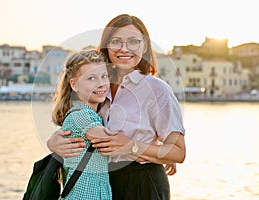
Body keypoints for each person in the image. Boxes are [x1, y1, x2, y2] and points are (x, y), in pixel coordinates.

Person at [48, 14, 186, 200]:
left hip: (141, 183)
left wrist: (133, 147)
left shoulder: (157, 90)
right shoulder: (97, 87)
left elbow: (178, 152)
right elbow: (79, 126)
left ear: (144, 47)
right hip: (101, 182)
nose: (124, 48)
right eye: (116, 41)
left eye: (133, 41)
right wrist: (54, 143)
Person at [52, 49, 112, 200]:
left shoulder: (93, 115)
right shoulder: (81, 115)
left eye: (104, 76)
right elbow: (112, 141)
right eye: (91, 78)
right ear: (75, 85)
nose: (101, 84)